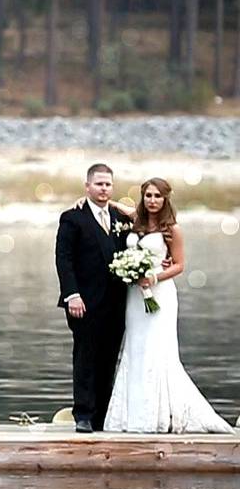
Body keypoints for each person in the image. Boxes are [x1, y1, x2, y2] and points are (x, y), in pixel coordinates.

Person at [101, 178, 233, 433]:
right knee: (135, 349)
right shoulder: (136, 220)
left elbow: (179, 265)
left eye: (157, 196)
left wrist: (152, 277)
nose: (152, 200)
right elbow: (115, 206)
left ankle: (161, 415)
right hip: (135, 297)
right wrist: (85, 200)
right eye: (148, 195)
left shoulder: (172, 228)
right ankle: (131, 417)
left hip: (159, 294)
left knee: (157, 350)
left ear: (165, 199)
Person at [55, 163, 132, 433]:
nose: (104, 188)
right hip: (83, 302)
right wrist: (71, 295)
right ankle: (84, 415)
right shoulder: (72, 217)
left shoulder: (121, 218)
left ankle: (102, 415)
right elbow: (64, 260)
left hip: (117, 302)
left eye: (108, 184)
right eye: (99, 184)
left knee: (109, 358)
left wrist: (124, 208)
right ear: (87, 186)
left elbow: (152, 221)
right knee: (85, 357)